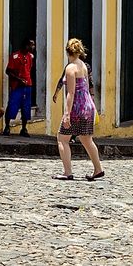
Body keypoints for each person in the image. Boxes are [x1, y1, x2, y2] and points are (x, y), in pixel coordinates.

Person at [53, 38, 103, 182]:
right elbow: (86, 88)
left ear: (67, 51)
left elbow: (71, 92)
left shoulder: (70, 68)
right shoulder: (83, 66)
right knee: (86, 139)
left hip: (77, 107)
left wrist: (67, 113)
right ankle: (98, 168)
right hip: (88, 107)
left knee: (62, 138)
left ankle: (67, 172)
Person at [3, 38, 36, 137]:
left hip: (27, 85)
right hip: (17, 86)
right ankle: (7, 126)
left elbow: (29, 69)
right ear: (26, 45)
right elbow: (8, 71)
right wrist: (18, 79)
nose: (33, 47)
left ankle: (24, 128)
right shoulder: (15, 56)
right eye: (31, 45)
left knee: (26, 107)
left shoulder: (31, 56)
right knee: (12, 105)